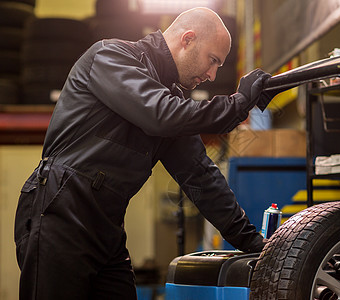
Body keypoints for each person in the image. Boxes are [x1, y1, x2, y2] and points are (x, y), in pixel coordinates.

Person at [14, 7, 274, 300]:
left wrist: (255, 243)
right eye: (212, 61)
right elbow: (160, 115)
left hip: (107, 226)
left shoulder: (172, 103)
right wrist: (239, 103)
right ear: (187, 39)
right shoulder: (111, 57)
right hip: (60, 209)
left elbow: (202, 178)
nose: (213, 75)